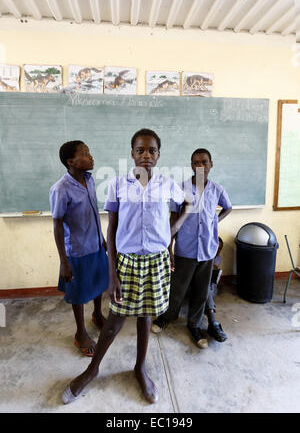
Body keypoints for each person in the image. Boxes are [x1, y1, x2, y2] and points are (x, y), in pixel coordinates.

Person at [61, 129, 186, 405]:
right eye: (140, 150)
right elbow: (112, 228)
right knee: (114, 321)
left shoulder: (166, 183)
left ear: (158, 155)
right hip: (127, 261)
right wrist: (112, 272)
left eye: (152, 150)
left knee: (146, 316)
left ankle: (140, 368)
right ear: (132, 153)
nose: (146, 155)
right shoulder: (119, 184)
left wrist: (171, 233)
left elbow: (186, 204)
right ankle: (92, 370)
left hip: (156, 261)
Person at [151, 148, 232, 349]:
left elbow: (228, 207)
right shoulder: (180, 189)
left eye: (204, 162)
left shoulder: (217, 190)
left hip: (207, 249)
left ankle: (194, 325)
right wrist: (169, 248)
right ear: (191, 166)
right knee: (178, 288)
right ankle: (167, 316)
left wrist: (215, 221)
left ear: (211, 164)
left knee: (201, 291)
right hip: (185, 248)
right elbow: (173, 219)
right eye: (196, 163)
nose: (200, 166)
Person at [49, 141, 109, 357]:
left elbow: (93, 213)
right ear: (71, 161)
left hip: (95, 243)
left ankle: (97, 314)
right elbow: (57, 225)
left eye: (89, 152)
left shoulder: (89, 180)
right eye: (85, 153)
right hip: (76, 250)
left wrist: (102, 238)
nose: (91, 156)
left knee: (99, 282)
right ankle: (80, 333)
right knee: (79, 292)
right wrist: (64, 262)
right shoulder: (60, 189)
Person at [204, 237, 227, 342]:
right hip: (202, 285)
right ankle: (213, 322)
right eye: (216, 247)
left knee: (208, 289)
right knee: (206, 288)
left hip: (212, 286)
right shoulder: (203, 254)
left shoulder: (218, 258)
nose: (218, 250)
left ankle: (212, 321)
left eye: (220, 249)